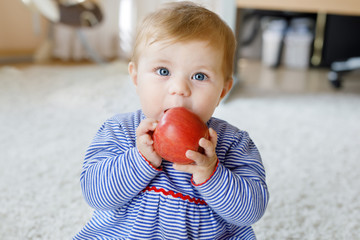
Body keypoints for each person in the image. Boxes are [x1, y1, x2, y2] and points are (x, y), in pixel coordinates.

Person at [73, 1, 269, 239]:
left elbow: (251, 212)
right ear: (136, 78)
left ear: (223, 91)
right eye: (163, 71)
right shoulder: (120, 130)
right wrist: (139, 159)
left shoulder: (232, 143)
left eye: (199, 76)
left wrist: (212, 173)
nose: (179, 89)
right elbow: (95, 195)